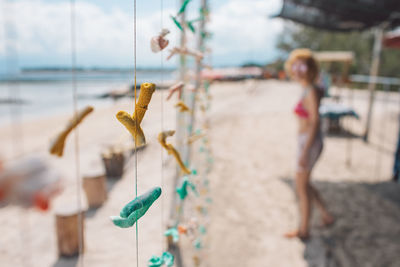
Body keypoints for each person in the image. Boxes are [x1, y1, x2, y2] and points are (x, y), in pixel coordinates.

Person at [284, 49, 334, 240]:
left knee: (301, 186)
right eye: (294, 65)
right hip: (306, 141)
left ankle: (304, 230)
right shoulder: (306, 88)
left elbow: (315, 122)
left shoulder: (311, 90)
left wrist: (305, 151)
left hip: (309, 143)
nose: (296, 70)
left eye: (301, 66)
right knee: (305, 183)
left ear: (309, 69)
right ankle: (326, 214)